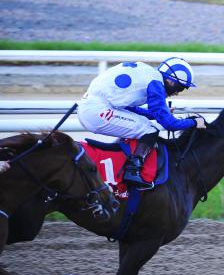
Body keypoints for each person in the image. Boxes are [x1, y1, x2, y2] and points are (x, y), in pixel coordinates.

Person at [77, 57, 206, 189]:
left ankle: (125, 162)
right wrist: (194, 122)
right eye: (181, 88)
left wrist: (159, 113)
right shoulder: (156, 84)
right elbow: (169, 124)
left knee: (142, 125)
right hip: (97, 112)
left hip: (90, 107)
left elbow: (129, 107)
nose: (178, 93)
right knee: (150, 130)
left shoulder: (147, 74)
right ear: (170, 81)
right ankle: (132, 172)